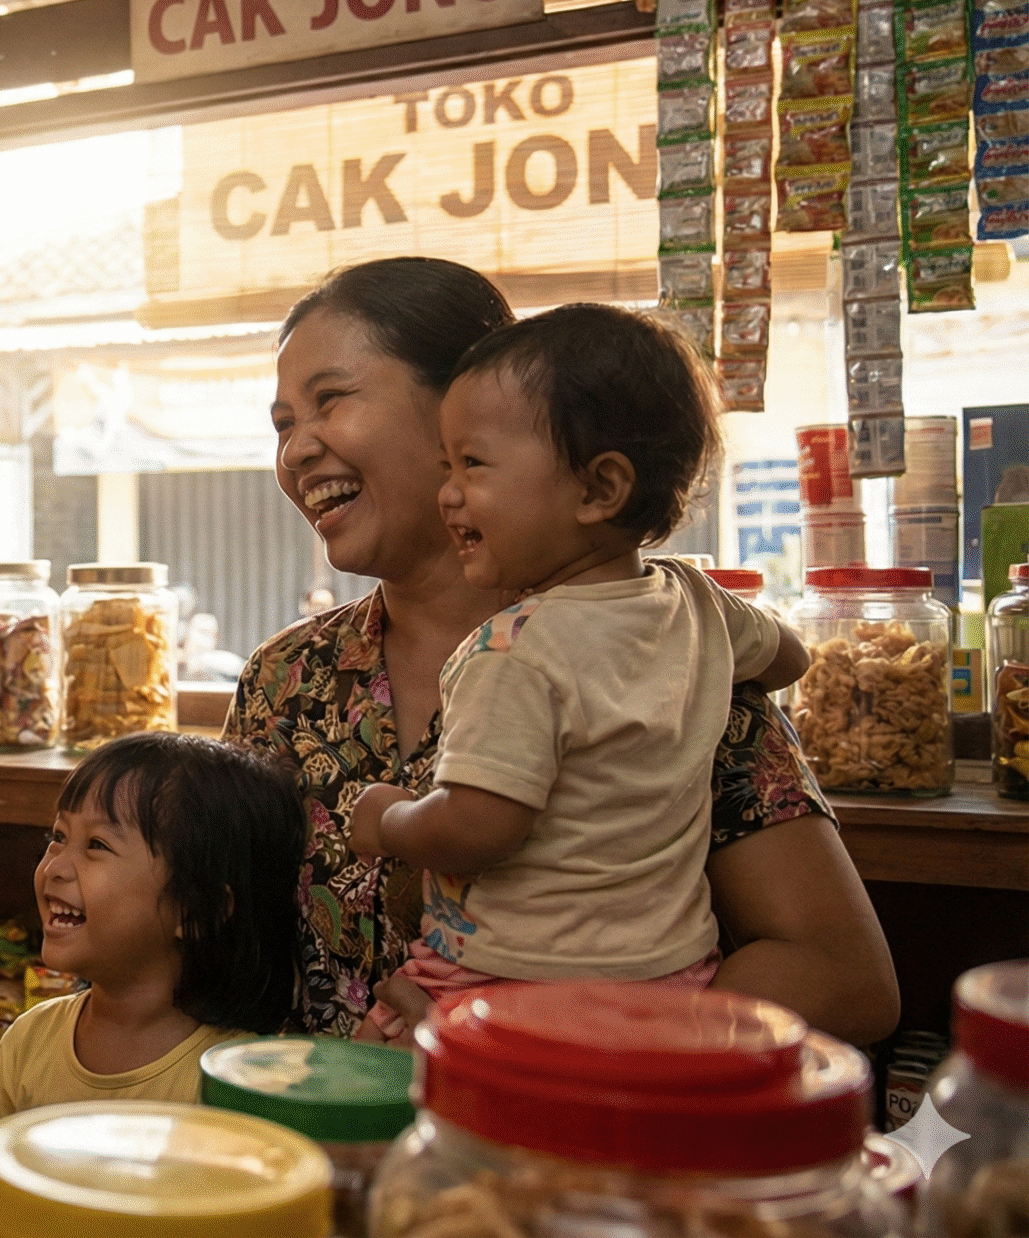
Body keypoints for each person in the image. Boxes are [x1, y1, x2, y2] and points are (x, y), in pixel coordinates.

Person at [0, 258, 896, 1163]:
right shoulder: (288, 681)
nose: (297, 447)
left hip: (561, 1170)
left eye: (331, 399)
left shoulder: (657, 652)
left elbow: (844, 981)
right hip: (317, 1172)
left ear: (463, 404)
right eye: (282, 420)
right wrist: (62, 1082)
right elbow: (220, 949)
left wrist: (523, 1041)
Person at [344, 305, 809, 1034]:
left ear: (599, 490)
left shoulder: (515, 651)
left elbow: (477, 828)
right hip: (675, 974)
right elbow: (790, 656)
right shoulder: (695, 602)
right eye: (445, 466)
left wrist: (390, 821)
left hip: (512, 987)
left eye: (472, 464)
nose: (449, 493)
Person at [0, 733, 302, 1128]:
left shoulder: (237, 1083)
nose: (55, 867)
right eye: (59, 837)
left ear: (197, 908)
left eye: (97, 844)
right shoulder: (27, 1043)